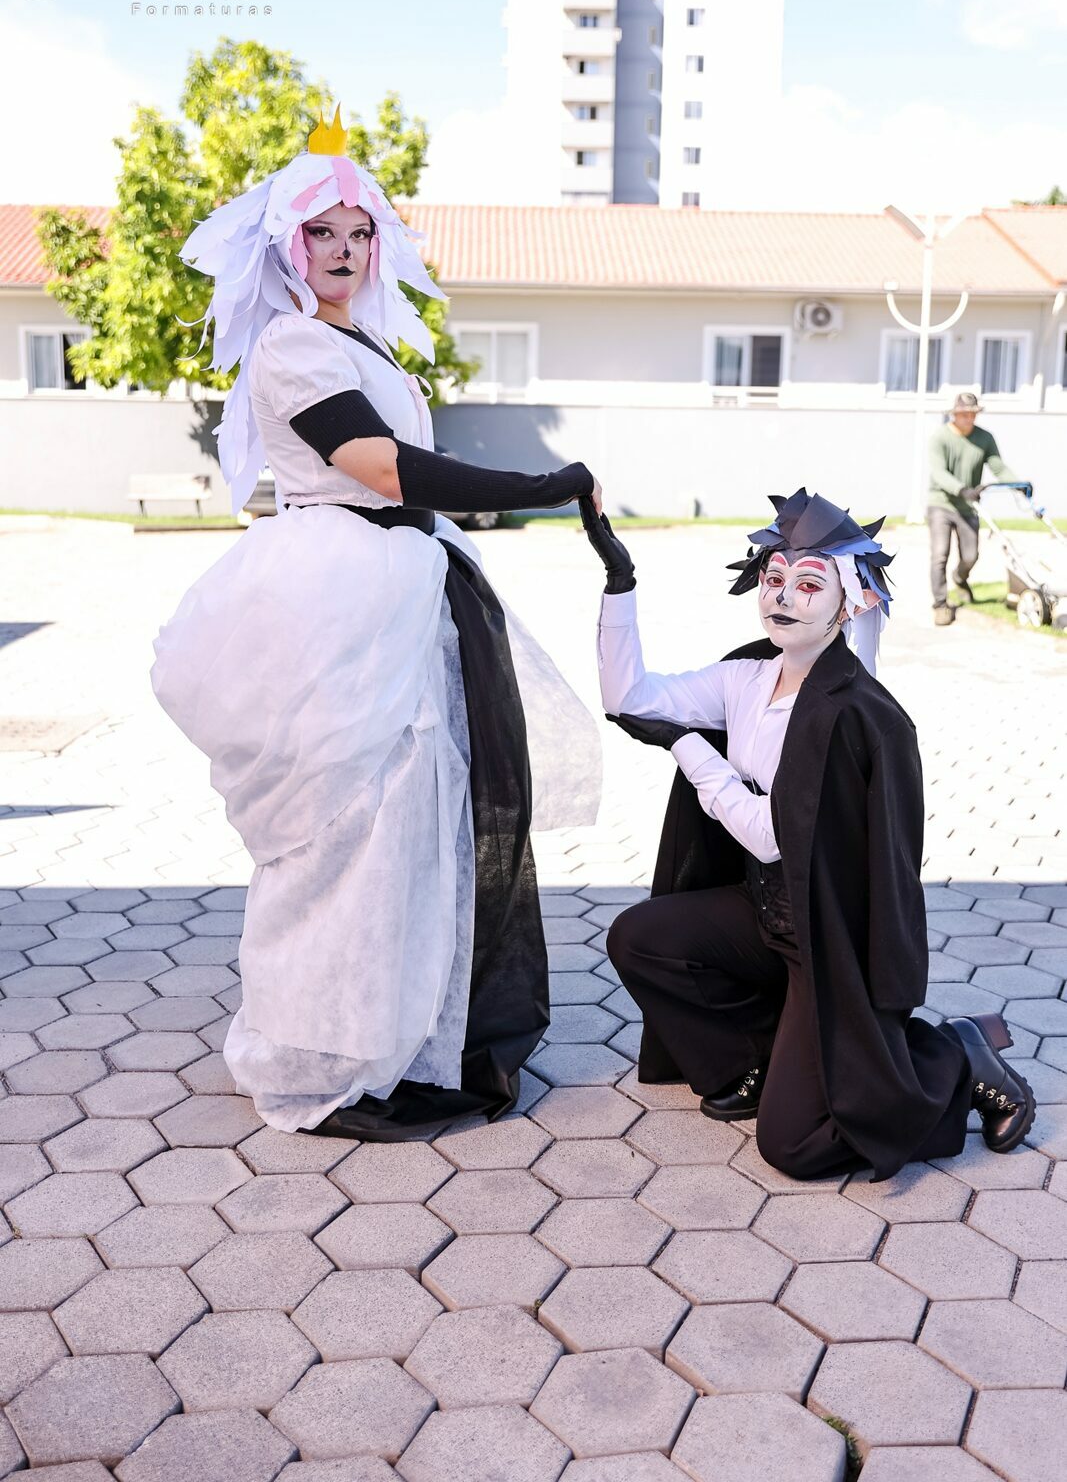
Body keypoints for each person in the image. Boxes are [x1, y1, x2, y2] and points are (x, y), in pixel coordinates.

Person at [151, 108, 603, 1139]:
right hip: (339, 596)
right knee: (340, 837)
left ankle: (400, 1040)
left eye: (359, 232)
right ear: (287, 245)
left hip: (398, 589)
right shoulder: (291, 348)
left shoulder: (366, 344)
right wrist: (535, 486)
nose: (344, 250)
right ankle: (319, 1054)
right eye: (322, 232)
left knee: (408, 828)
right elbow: (379, 467)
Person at [580, 488, 1036, 1180]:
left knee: (793, 1145)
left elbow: (770, 836)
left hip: (828, 942)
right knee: (640, 938)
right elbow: (629, 699)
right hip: (767, 911)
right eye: (774, 579)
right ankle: (757, 1065)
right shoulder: (747, 677)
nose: (783, 597)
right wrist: (620, 580)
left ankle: (955, 1056)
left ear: (847, 606)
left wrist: (688, 747)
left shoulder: (848, 711)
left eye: (809, 584)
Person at [929, 391, 1015, 626]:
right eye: (964, 414)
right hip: (941, 504)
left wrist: (1018, 485)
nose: (969, 418)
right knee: (940, 555)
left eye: (973, 414)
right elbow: (938, 473)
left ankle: (959, 578)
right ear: (955, 414)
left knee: (971, 556)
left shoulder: (985, 438)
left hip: (968, 507)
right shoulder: (940, 438)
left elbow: (998, 467)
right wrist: (962, 489)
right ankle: (940, 604)